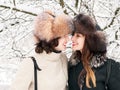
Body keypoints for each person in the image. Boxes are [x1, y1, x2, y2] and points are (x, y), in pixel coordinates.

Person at [10, 11, 73, 90]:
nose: (68, 39)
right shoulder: (30, 63)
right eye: (64, 36)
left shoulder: (63, 59)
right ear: (51, 38)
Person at [68, 13, 120, 90]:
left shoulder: (110, 67)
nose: (72, 39)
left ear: (90, 39)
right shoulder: (72, 67)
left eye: (78, 36)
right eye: (73, 35)